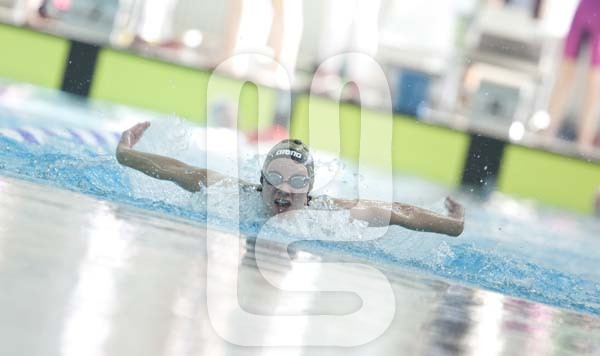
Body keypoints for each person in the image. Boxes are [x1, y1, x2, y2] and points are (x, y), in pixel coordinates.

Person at [116, 122, 465, 237]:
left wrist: (454, 225)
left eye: (297, 183)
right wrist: (125, 154)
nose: (284, 189)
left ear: (310, 190)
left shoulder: (330, 212)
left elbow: (399, 211)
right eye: (275, 178)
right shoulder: (231, 193)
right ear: (261, 180)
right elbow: (177, 169)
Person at [543, 0, 600, 148]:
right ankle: (547, 134)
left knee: (594, 84)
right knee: (565, 75)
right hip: (583, 10)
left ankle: (584, 144)